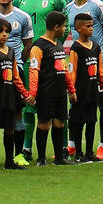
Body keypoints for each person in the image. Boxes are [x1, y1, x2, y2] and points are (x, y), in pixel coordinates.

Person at [13, 0, 66, 161]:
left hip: (52, 58)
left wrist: (55, 44)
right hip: (28, 59)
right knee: (28, 105)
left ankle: (62, 148)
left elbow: (65, 22)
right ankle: (27, 148)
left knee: (59, 104)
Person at [66, 0, 103, 156]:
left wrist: (102, 51)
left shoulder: (98, 5)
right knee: (76, 104)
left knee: (102, 105)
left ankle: (102, 145)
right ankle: (72, 144)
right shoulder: (68, 8)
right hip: (78, 64)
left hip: (98, 61)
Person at [0, 0, 34, 167]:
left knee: (17, 114)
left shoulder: (23, 17)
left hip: (15, 68)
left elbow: (28, 43)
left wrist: (15, 60)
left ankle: (18, 155)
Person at [25, 10, 73, 166]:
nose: (65, 29)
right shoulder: (38, 46)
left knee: (59, 123)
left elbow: (64, 68)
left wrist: (71, 90)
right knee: (44, 123)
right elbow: (34, 71)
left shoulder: (58, 45)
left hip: (60, 91)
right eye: (64, 26)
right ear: (56, 27)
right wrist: (32, 93)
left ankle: (59, 157)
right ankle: (41, 158)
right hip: (46, 92)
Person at [68, 12, 103, 161]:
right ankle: (78, 153)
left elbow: (100, 70)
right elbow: (72, 71)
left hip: (93, 90)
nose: (91, 29)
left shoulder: (96, 47)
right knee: (79, 122)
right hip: (80, 91)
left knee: (92, 121)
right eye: (88, 26)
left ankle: (90, 153)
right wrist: (72, 91)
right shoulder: (76, 48)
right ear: (78, 28)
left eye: (92, 26)